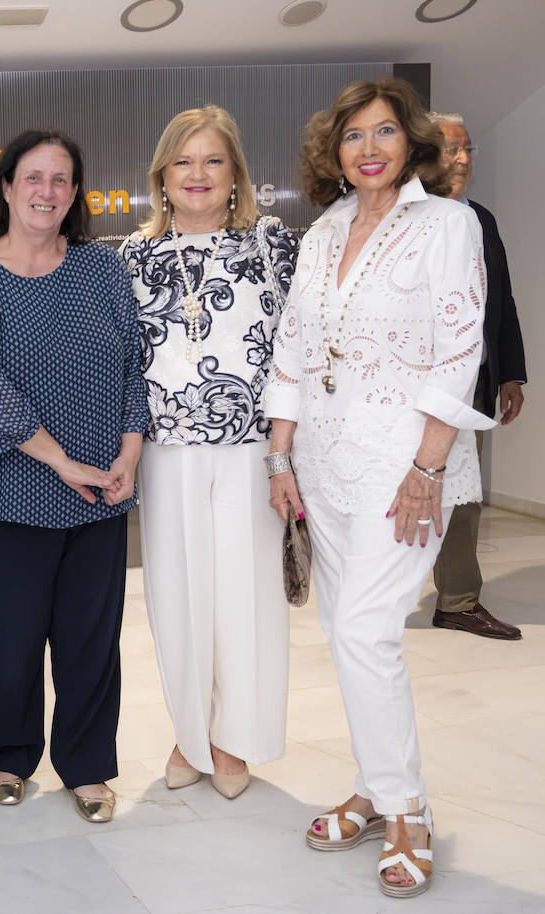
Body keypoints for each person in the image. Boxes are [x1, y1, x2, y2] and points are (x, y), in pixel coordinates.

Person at [268, 77, 492, 898]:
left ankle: (407, 812)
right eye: (353, 135)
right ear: (335, 150)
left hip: (406, 470)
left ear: (412, 143)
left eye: (385, 132)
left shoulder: (447, 224)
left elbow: (460, 348)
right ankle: (373, 785)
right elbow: (292, 344)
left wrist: (430, 465)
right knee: (343, 631)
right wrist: (281, 459)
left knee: (367, 631)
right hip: (324, 469)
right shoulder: (324, 231)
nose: (368, 148)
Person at [0, 128, 147, 824]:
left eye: (61, 179)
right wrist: (64, 462)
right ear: (6, 187)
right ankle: (8, 751)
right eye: (33, 177)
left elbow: (132, 370)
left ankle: (87, 766)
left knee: (92, 639)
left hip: (104, 492)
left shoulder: (102, 269)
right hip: (15, 491)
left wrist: (128, 454)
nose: (47, 191)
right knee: (9, 636)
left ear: (74, 194)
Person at [119, 106, 300, 799]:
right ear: (162, 176)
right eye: (183, 161)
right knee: (177, 595)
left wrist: (286, 454)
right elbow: (122, 365)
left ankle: (232, 739)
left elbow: (297, 354)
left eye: (213, 161)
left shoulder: (271, 244)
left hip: (253, 452)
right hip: (166, 454)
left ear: (235, 175)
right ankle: (188, 732)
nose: (197, 174)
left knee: (245, 596)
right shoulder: (131, 256)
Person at [426, 112, 528, 641]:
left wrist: (510, 374)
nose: (461, 160)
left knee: (462, 498)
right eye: (449, 149)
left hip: (474, 387)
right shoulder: (405, 217)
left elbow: (501, 302)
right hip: (410, 391)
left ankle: (458, 601)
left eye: (468, 150)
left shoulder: (481, 219)